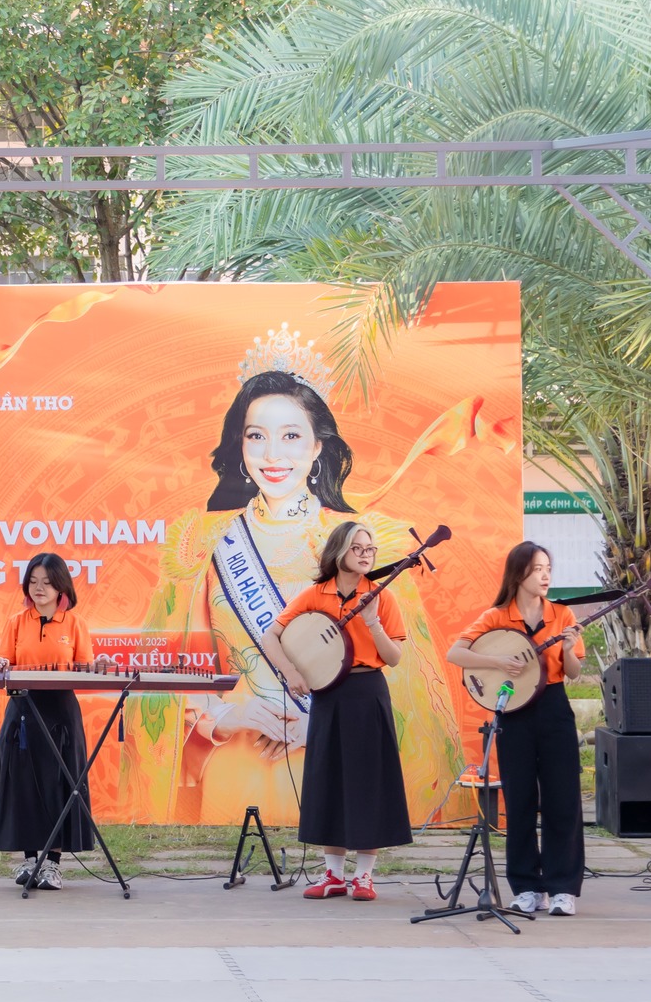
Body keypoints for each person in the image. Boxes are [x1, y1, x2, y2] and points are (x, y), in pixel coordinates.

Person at [146, 324, 461, 825]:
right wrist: (226, 714)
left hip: (333, 739)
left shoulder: (362, 540)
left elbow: (395, 674)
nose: (273, 455)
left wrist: (320, 723)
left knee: (334, 847)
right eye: (257, 436)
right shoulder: (202, 542)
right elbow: (177, 665)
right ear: (240, 445)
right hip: (241, 751)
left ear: (317, 447)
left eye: (291, 436)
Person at [262, 521, 413, 899]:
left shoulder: (381, 596)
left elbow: (394, 657)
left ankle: (363, 876)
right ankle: (333, 875)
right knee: (328, 778)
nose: (365, 555)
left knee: (368, 781)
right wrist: (291, 672)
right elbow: (270, 636)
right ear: (338, 551)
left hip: (367, 690)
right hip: (329, 694)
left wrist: (373, 622)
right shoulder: (316, 594)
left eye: (370, 549)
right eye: (357, 548)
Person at [446, 542, 586, 916]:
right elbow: (455, 653)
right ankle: (526, 886)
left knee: (562, 799)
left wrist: (568, 648)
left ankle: (562, 888)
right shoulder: (496, 616)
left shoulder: (562, 614)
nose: (545, 575)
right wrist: (497, 661)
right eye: (538, 569)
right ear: (518, 573)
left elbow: (574, 672)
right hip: (513, 711)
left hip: (554, 707)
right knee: (519, 798)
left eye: (548, 568)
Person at [0, 553, 112, 890]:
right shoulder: (16, 622)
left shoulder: (74, 624)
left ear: (61, 587)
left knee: (59, 785)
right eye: (33, 581)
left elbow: (84, 668)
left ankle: (52, 864)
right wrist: (1, 664)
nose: (39, 588)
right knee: (23, 784)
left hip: (60, 713)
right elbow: (4, 661)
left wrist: (97, 665)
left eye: (47, 583)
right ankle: (29, 860)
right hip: (23, 711)